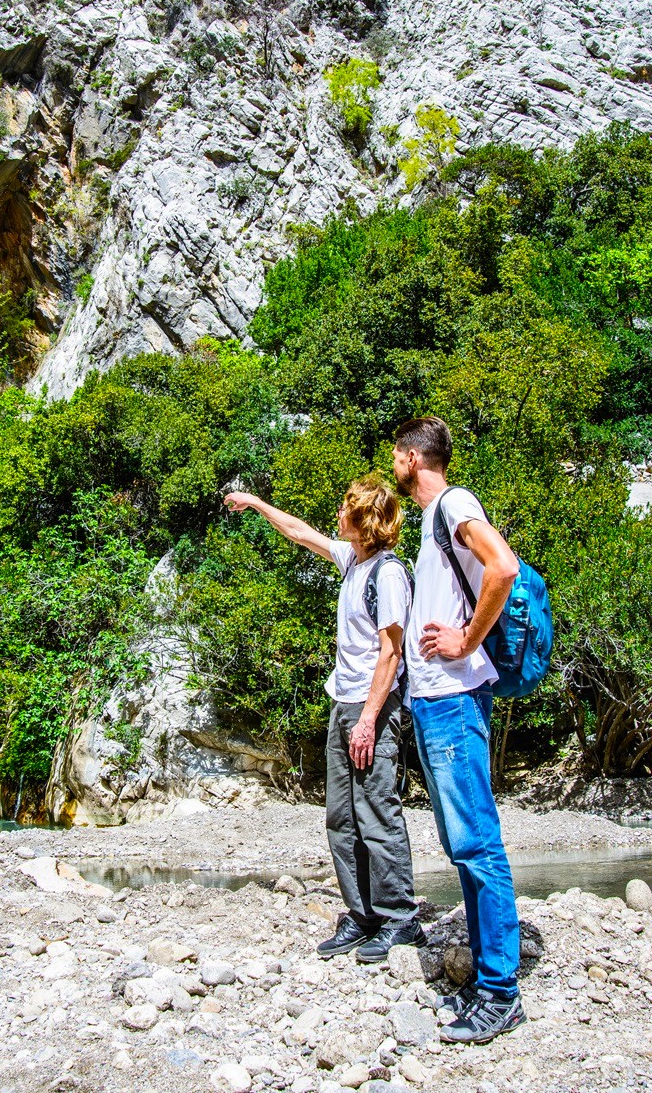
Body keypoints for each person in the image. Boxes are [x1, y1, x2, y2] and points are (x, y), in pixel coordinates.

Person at [224, 475, 425, 963]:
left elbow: (392, 653)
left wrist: (368, 721)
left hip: (372, 707)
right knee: (341, 817)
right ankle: (362, 915)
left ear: (364, 521)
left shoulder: (389, 574)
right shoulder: (353, 561)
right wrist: (254, 503)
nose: (337, 514)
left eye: (344, 508)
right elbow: (300, 532)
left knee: (377, 811)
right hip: (344, 703)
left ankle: (400, 919)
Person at [392, 416, 525, 1044]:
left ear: (412, 459)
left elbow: (503, 567)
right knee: (463, 844)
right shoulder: (434, 517)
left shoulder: (452, 503)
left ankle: (500, 992)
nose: (393, 463)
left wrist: (466, 639)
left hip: (454, 699)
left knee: (477, 842)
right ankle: (485, 979)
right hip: (436, 701)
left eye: (396, 454)